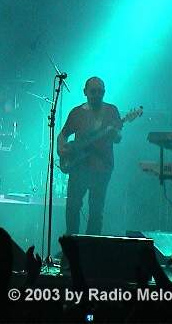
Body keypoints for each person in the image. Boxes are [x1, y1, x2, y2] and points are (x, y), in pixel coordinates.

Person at [57, 76, 121, 236]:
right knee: (72, 208)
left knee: (96, 212)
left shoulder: (112, 111)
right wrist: (61, 149)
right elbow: (63, 135)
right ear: (85, 92)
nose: (97, 95)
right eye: (93, 91)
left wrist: (114, 134)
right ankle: (71, 245)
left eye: (101, 92)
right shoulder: (76, 113)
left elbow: (118, 138)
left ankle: (91, 248)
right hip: (79, 167)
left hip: (102, 168)